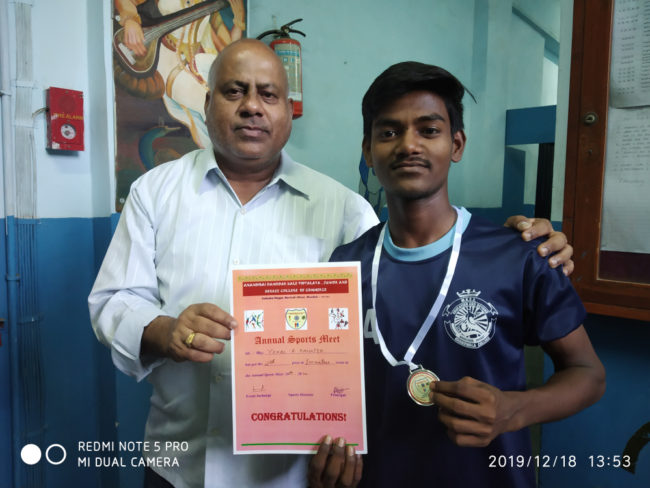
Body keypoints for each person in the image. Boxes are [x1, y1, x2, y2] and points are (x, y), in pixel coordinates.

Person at [89, 39, 575, 488]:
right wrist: (165, 331)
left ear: (289, 111)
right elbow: (113, 301)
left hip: (294, 474)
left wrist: (525, 244)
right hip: (178, 466)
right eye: (235, 91)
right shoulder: (155, 193)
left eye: (268, 94)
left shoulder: (344, 210)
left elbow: (380, 320)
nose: (252, 106)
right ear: (208, 100)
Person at [310, 62, 606, 488]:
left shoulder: (519, 255)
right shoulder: (342, 268)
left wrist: (513, 410)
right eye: (389, 132)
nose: (408, 145)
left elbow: (588, 374)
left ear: (457, 144)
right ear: (368, 151)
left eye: (429, 130)